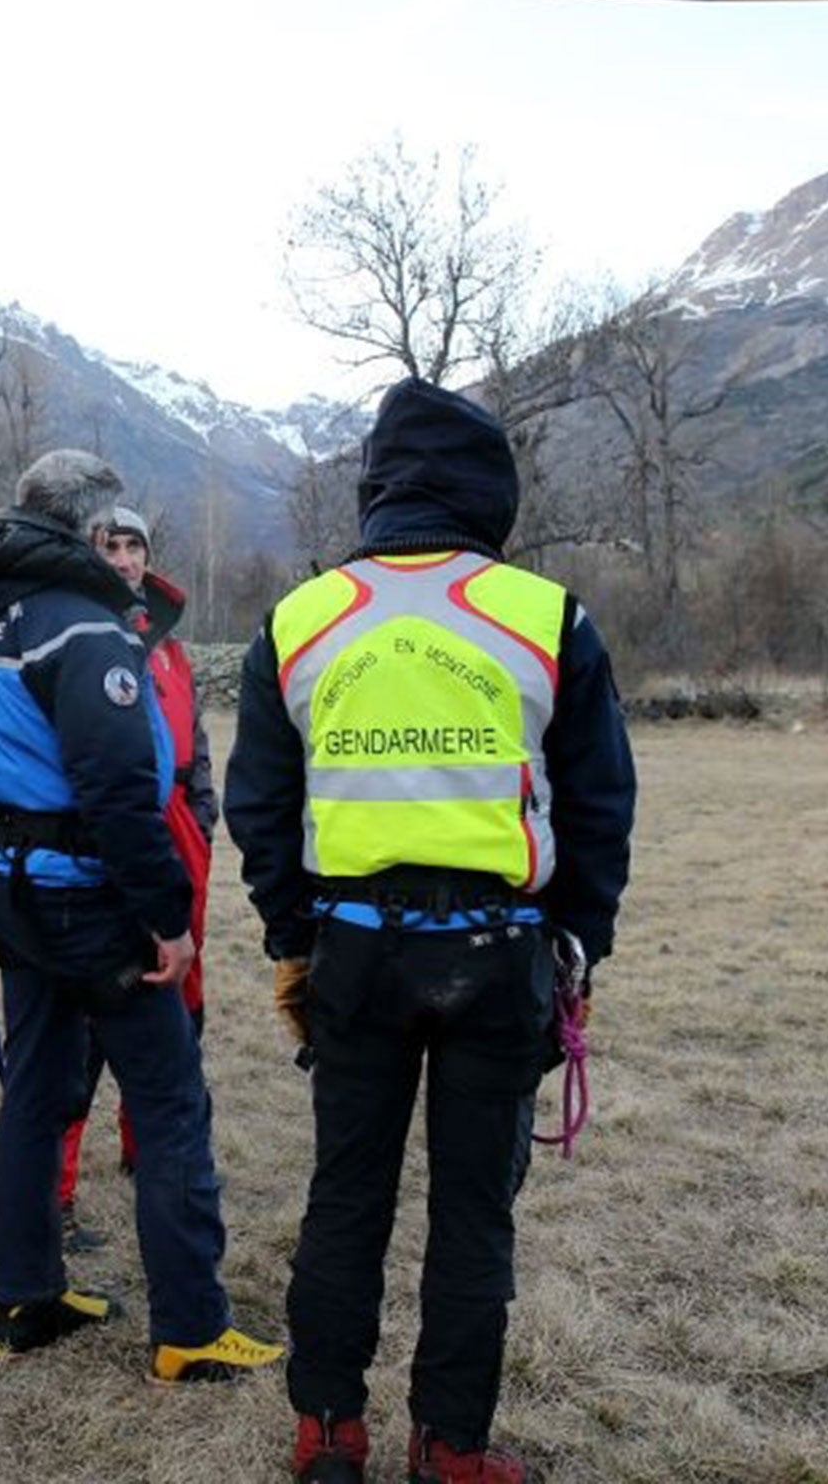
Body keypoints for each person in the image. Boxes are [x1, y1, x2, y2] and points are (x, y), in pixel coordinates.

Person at [223, 380, 635, 1483]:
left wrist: (289, 939)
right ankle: (449, 1446)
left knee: (343, 1196)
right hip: (501, 954)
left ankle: (325, 1434)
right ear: (489, 492)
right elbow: (597, 806)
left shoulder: (300, 620)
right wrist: (580, 949)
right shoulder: (547, 618)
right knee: (472, 1217)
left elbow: (257, 805)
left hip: (352, 949)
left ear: (374, 488)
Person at [0, 448, 283, 1383]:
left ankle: (27, 1297)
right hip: (91, 900)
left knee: (36, 1098)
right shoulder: (79, 627)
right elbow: (121, 789)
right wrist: (167, 918)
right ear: (86, 528)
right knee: (169, 1107)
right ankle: (192, 1328)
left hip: (12, 892)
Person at [56, 504, 217, 1250]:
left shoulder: (168, 647)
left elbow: (199, 748)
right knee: (94, 1015)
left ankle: (148, 1149)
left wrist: (202, 819)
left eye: (133, 546)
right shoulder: (76, 632)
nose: (122, 558)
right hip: (111, 830)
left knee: (182, 994)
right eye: (108, 544)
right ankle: (55, 1192)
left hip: (181, 831)